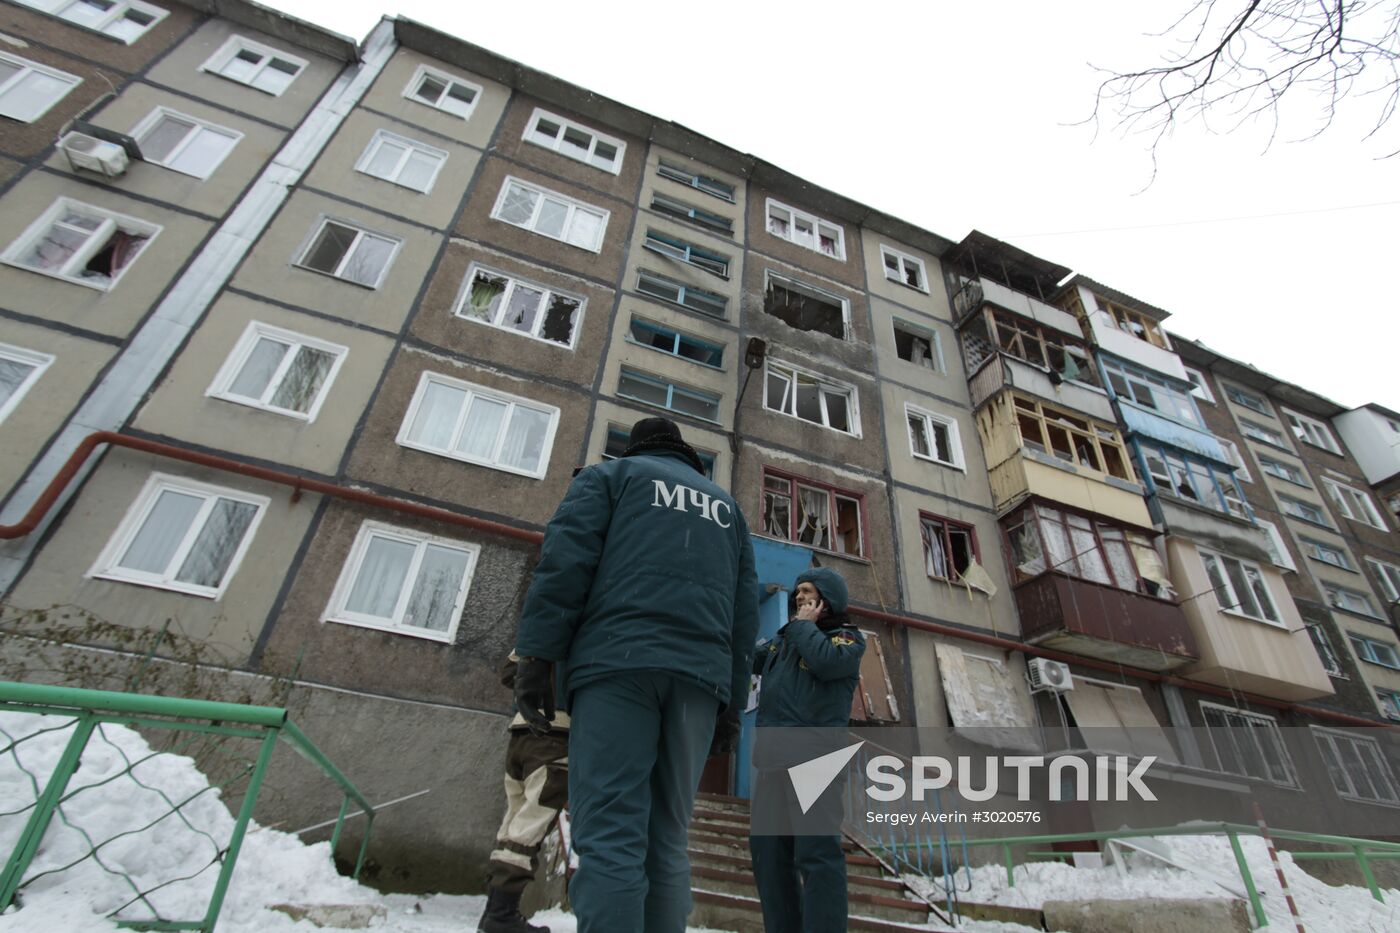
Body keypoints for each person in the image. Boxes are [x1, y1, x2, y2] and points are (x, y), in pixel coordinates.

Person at [512, 416, 760, 933]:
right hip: (699, 684)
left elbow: (563, 566)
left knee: (609, 834)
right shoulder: (728, 512)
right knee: (667, 840)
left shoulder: (609, 479)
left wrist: (537, 655)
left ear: (634, 449)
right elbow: (744, 619)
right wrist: (732, 705)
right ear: (686, 454)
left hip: (617, 666)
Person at [749, 567, 865, 933]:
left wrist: (801, 627)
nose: (799, 597)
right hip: (773, 762)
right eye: (796, 592)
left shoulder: (846, 638)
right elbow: (746, 657)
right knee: (769, 858)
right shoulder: (783, 643)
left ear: (828, 597)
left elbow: (826, 663)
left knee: (816, 855)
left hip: (816, 762)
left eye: (807, 591)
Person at [478, 653, 570, 933]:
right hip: (554, 740)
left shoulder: (538, 635)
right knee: (529, 827)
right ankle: (501, 916)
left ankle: (495, 913)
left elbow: (508, 675)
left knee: (513, 826)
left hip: (521, 735)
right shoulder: (579, 632)